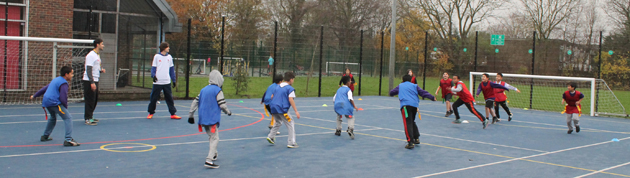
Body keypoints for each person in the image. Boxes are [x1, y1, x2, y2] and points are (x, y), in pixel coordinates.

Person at [188, 70, 232, 168]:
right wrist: (228, 112)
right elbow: (222, 105)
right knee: (215, 138)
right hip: (212, 118)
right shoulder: (217, 91)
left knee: (211, 136)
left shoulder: (203, 89)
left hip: (203, 118)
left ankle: (214, 153)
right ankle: (209, 160)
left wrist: (191, 114)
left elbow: (195, 102)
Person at [31, 66, 80, 146]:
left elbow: (45, 88)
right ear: (66, 74)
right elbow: (63, 97)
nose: (72, 75)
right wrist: (65, 108)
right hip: (54, 103)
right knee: (68, 118)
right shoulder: (64, 83)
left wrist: (35, 95)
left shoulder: (56, 80)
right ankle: (68, 139)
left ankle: (45, 136)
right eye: (71, 74)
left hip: (46, 102)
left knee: (53, 117)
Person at [389, 75, 436, 149]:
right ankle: (416, 138)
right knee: (411, 121)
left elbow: (392, 92)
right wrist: (432, 97)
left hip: (405, 106)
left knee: (407, 123)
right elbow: (423, 92)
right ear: (411, 80)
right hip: (414, 106)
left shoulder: (400, 86)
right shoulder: (414, 86)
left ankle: (410, 142)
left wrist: (391, 93)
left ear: (402, 80)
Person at [147, 42, 181, 120]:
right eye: (168, 47)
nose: (169, 48)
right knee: (154, 98)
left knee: (169, 98)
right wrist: (153, 76)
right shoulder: (157, 56)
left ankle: (173, 113)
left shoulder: (169, 57)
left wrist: (174, 80)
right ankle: (151, 112)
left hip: (166, 82)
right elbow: (153, 68)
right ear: (164, 48)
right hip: (158, 82)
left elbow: (172, 70)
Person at [266, 72, 301, 148]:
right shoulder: (290, 89)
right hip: (282, 110)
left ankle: (271, 136)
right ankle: (291, 142)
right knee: (290, 122)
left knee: (278, 122)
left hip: (273, 108)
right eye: (293, 79)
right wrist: (296, 111)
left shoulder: (277, 87)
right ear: (291, 80)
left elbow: (272, 96)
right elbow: (291, 99)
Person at [83, 38, 106, 126]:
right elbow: (88, 69)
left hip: (95, 79)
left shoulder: (97, 55)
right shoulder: (91, 55)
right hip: (89, 80)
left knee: (94, 99)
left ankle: (90, 116)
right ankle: (87, 118)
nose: (103, 46)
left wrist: (100, 70)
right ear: (98, 45)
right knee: (89, 100)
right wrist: (91, 82)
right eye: (102, 44)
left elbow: (95, 68)